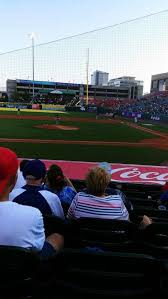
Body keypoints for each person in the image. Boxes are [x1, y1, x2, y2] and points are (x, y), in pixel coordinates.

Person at [0, 147, 64, 257]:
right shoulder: (47, 202)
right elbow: (60, 221)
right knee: (57, 237)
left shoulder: (14, 195)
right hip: (24, 263)